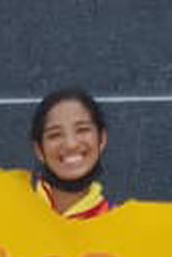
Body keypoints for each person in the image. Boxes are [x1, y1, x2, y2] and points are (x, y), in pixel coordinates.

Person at [29, 88, 113, 219]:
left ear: (102, 139)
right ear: (39, 149)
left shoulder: (121, 224)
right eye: (55, 135)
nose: (71, 144)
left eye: (82, 130)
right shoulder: (10, 215)